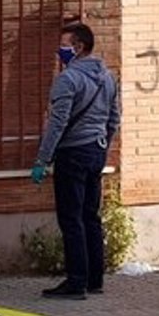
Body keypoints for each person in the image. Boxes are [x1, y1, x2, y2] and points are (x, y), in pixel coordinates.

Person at [31, 21, 122, 300]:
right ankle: (95, 279)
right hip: (96, 150)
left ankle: (76, 282)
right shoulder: (107, 77)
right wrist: (102, 144)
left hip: (72, 153)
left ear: (79, 46)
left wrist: (42, 159)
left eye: (64, 45)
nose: (60, 52)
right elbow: (114, 118)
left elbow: (57, 124)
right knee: (90, 216)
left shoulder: (67, 79)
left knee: (71, 218)